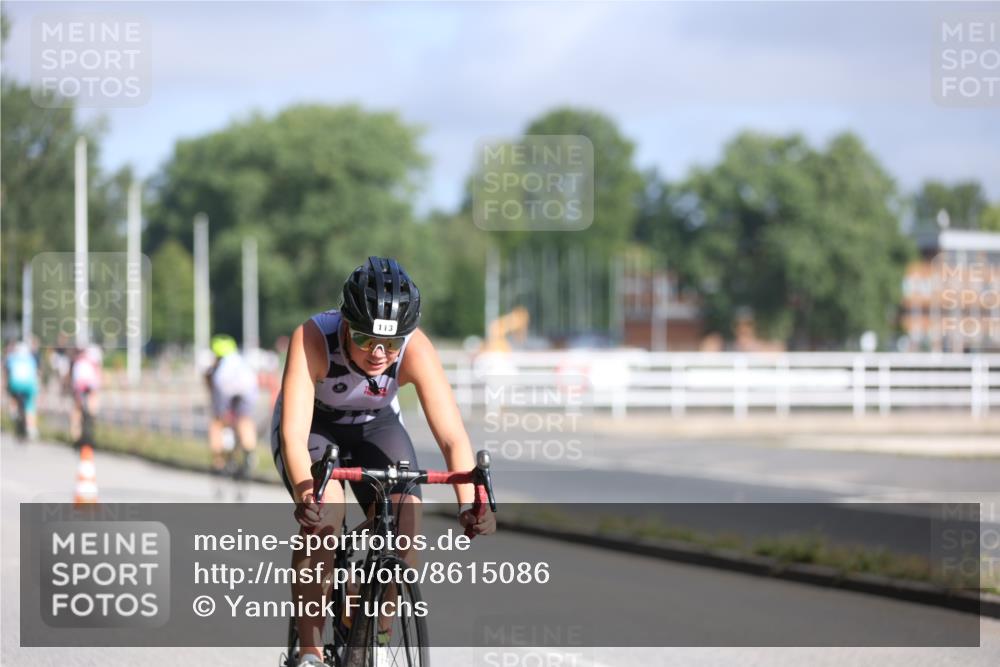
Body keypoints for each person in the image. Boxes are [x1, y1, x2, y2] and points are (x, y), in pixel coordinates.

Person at [272, 256, 495, 666]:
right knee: (326, 517)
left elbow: (452, 437)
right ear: (345, 323)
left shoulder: (417, 348)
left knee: (406, 517)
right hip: (315, 428)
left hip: (376, 426)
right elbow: (293, 436)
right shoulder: (313, 337)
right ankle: (309, 650)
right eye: (365, 338)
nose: (379, 353)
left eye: (392, 344)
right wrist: (308, 495)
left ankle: (374, 629)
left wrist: (470, 503)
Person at [205, 334, 260, 476]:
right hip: (247, 387)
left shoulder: (219, 365)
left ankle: (218, 462)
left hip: (225, 385)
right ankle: (249, 452)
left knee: (217, 422)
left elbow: (212, 387)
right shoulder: (240, 360)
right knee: (245, 420)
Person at [4, 341, 40, 440]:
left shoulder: (12, 358)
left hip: (15, 384)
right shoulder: (31, 359)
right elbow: (36, 373)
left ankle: (13, 411)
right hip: (29, 385)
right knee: (30, 404)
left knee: (11, 394)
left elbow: (7, 372)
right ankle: (31, 427)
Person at [69, 345, 102, 449]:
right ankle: (92, 423)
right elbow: (98, 376)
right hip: (91, 384)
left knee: (76, 411)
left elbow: (72, 379)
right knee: (92, 408)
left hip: (79, 385)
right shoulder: (92, 360)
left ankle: (76, 437)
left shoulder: (76, 361)